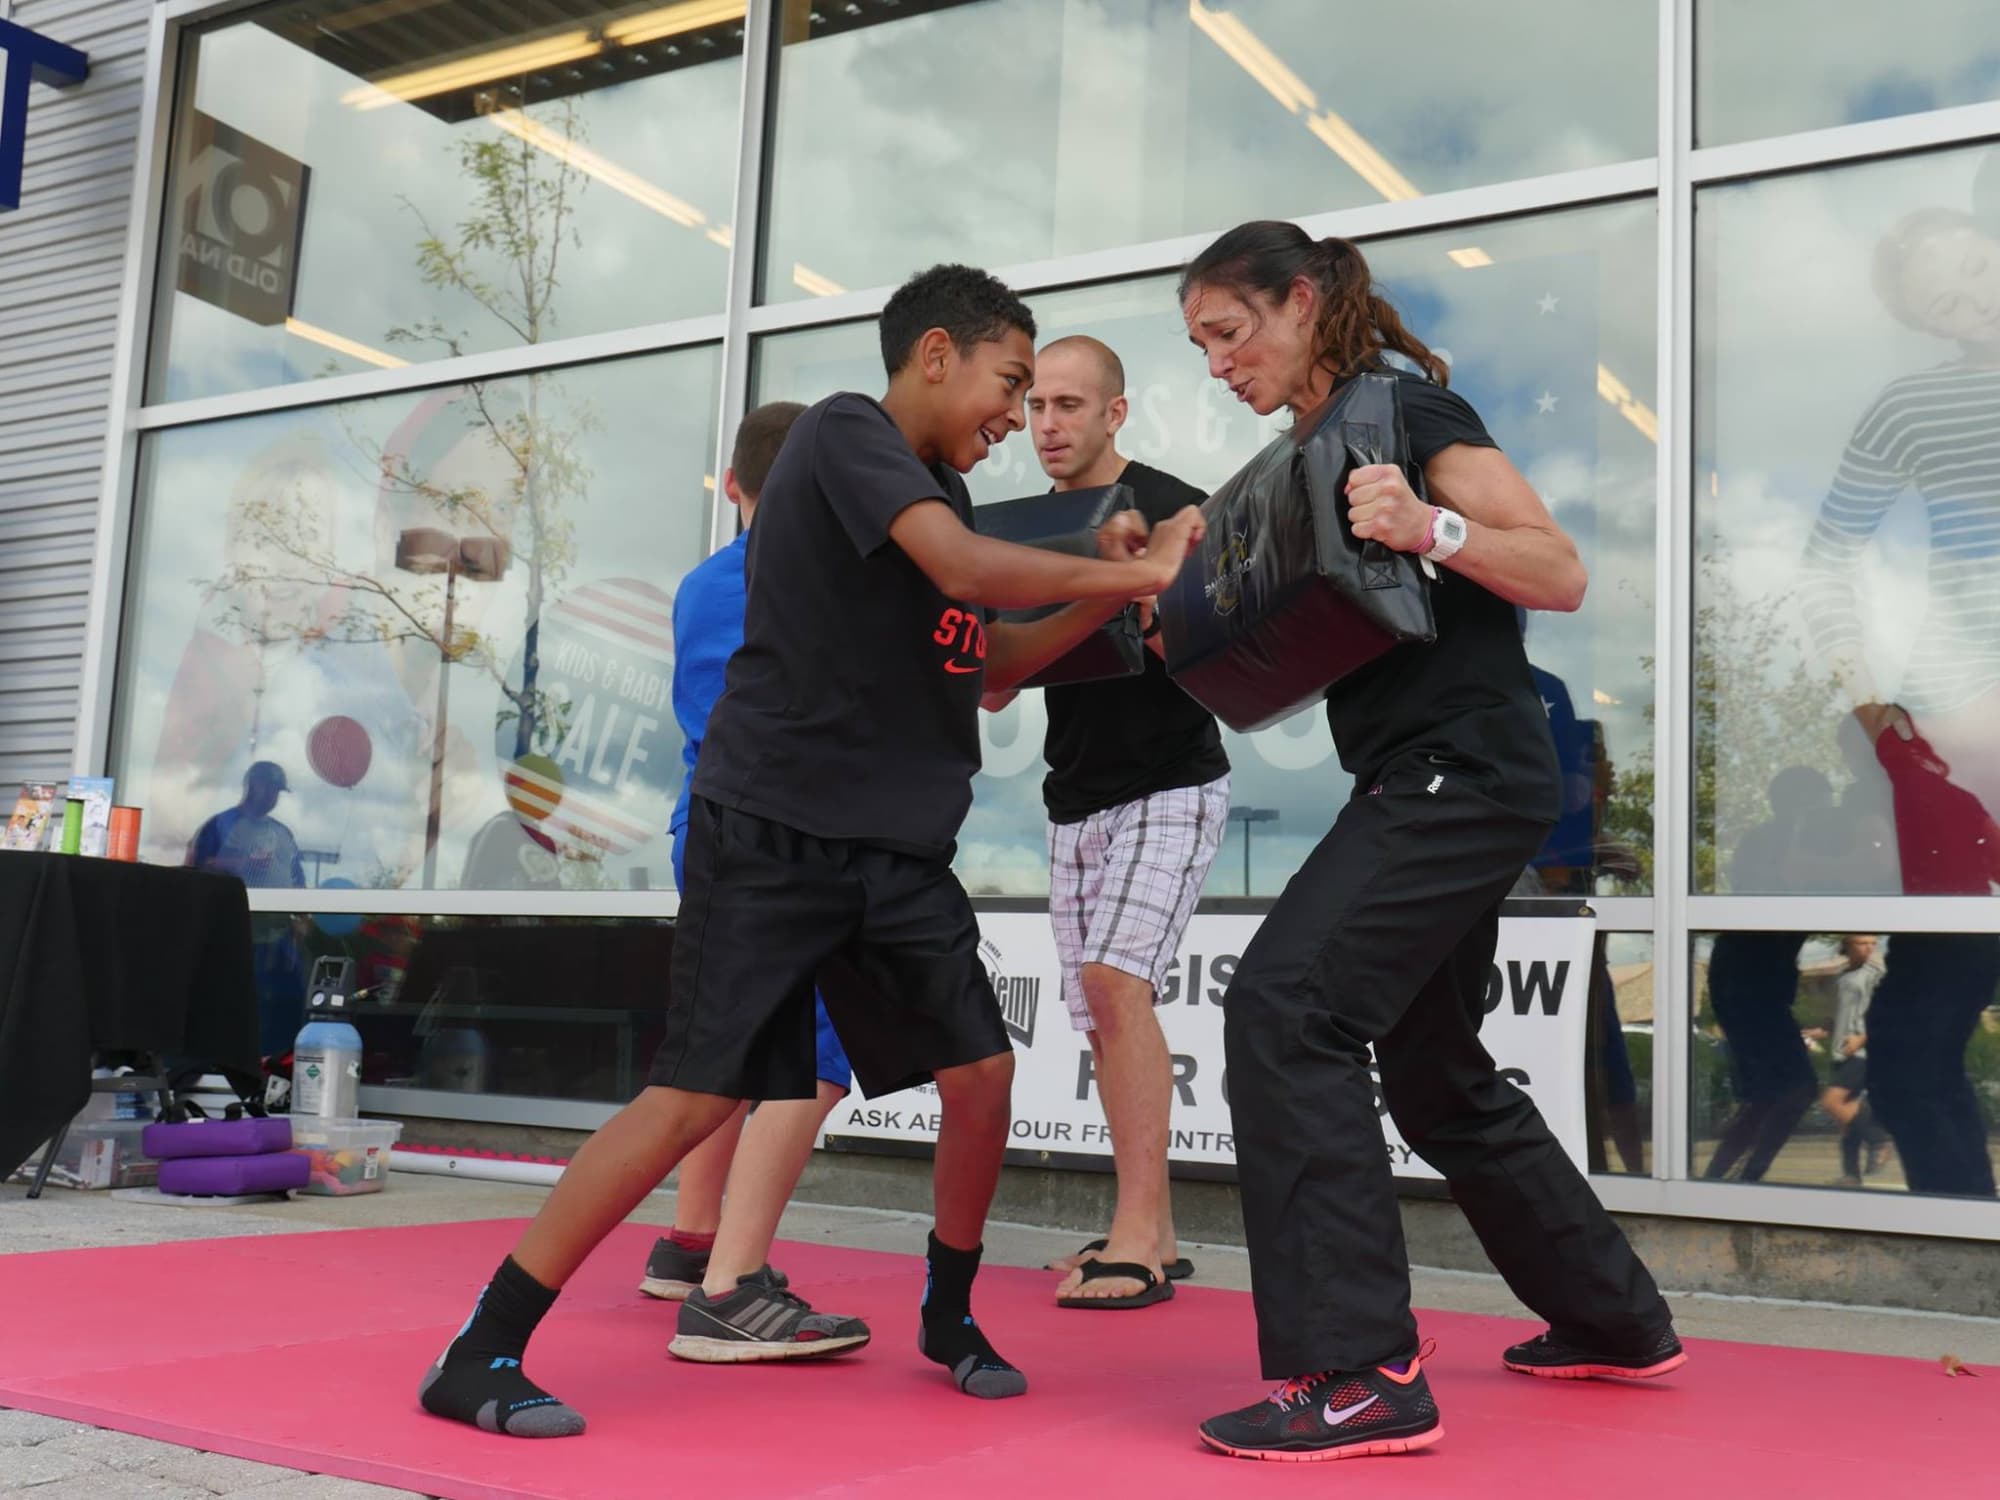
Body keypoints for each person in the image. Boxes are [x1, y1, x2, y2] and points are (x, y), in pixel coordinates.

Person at [416, 263, 1205, 1438]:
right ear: (934, 354)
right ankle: (480, 1349)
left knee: (982, 1076)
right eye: (1009, 382)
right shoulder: (847, 437)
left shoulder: (938, 496)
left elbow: (988, 667)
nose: (1014, 412)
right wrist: (1137, 566)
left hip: (895, 851)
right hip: (771, 834)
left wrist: (1109, 600)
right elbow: (963, 570)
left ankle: (947, 1312)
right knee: (694, 1097)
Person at [1176, 222, 1681, 1463]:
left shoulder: (1401, 413)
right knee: (1429, 1062)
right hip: (1425, 771)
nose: (1215, 364)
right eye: (1197, 346)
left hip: (1465, 768)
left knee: (1285, 1008)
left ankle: (1360, 1375)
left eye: (1229, 333)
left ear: (1300, 303)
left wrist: (1427, 529)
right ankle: (1611, 1318)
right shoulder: (1302, 455)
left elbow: (1556, 571)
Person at [984, 336, 1230, 1310]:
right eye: (1037, 406)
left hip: (1170, 780)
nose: (1048, 425)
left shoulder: (1175, 507)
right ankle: (1153, 1231)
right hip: (1071, 794)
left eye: (1070, 406)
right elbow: (992, 689)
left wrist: (1149, 596)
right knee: (1095, 1012)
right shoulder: (1016, 531)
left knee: (1111, 983)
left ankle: (1134, 1235)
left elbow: (1230, 650)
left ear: (1114, 414)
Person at [630, 398, 871, 1364]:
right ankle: (735, 1284)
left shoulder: (701, 582)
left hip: (714, 826)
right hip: (784, 834)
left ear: (733, 487)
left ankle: (691, 1243)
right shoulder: (814, 580)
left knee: (734, 1040)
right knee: (814, 1051)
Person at [1818, 934, 1893, 1186]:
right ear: (1848, 945)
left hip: (1863, 1053)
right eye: (1862, 943)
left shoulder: (1876, 974)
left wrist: (1863, 1038)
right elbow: (1839, 1013)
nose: (1869, 948)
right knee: (1846, 1119)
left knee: (1831, 1102)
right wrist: (1823, 1029)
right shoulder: (1841, 977)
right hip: (1841, 1051)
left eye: (1873, 943)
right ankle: (1851, 1174)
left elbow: (1886, 1013)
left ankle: (1878, 1140)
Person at [187, 761, 306, 889]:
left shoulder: (284, 834)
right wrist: (244, 863)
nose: (272, 795)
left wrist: (303, 907)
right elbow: (199, 866)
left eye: (276, 790)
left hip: (277, 908)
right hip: (232, 906)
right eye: (268, 787)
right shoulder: (220, 824)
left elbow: (298, 882)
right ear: (251, 785)